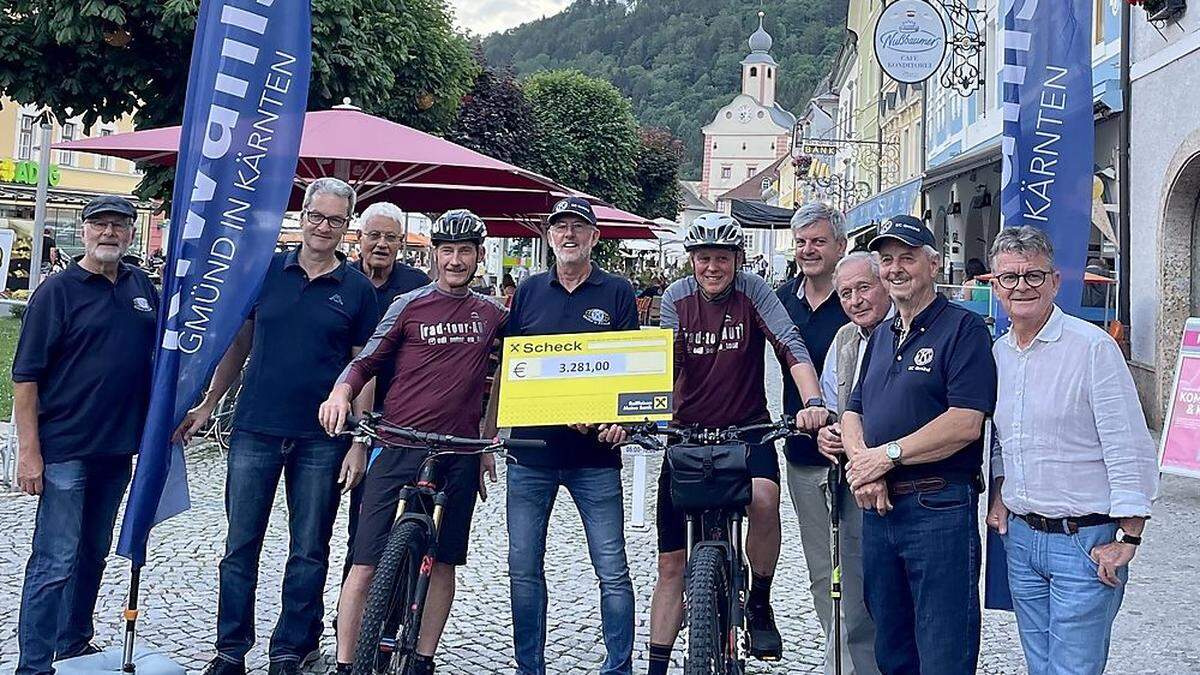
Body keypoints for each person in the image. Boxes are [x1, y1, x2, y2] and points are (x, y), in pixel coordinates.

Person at [178, 178, 380, 675]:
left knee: (309, 548)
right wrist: (208, 405)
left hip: (322, 439)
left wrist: (359, 438)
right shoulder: (265, 271)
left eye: (335, 220)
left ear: (346, 227)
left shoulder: (356, 290)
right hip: (256, 429)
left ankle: (291, 648)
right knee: (240, 544)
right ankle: (230, 650)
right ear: (303, 216)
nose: (323, 227)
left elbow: (364, 370)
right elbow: (237, 346)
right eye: (317, 216)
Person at [319, 209, 505, 675]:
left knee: (443, 563)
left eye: (466, 251)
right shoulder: (408, 304)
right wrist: (341, 392)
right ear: (434, 255)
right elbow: (366, 362)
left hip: (459, 450)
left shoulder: (494, 314)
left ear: (479, 257)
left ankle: (423, 658)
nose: (456, 260)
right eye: (448, 251)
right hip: (399, 442)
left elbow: (520, 368)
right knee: (364, 562)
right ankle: (345, 663)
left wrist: (489, 440)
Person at [648, 213, 828, 673]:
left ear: (737, 259)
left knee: (765, 499)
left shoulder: (753, 291)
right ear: (691, 260)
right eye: (703, 258)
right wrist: (644, 415)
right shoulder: (675, 298)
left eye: (722, 258)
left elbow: (789, 343)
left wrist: (813, 400)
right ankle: (656, 665)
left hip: (748, 429)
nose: (712, 267)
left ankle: (760, 600)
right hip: (686, 434)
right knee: (670, 565)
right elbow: (664, 364)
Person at [984, 227, 1158, 675]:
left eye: (1034, 276)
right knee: (1041, 667)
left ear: (1056, 282)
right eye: (1009, 277)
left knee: (1072, 671)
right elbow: (1006, 437)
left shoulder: (1092, 349)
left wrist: (1130, 537)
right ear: (994, 284)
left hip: (1085, 543)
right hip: (1022, 542)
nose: (1022, 285)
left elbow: (1129, 444)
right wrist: (1000, 492)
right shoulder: (999, 354)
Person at [839, 214, 997, 675]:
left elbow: (966, 422)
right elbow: (854, 411)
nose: (895, 268)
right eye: (887, 260)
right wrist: (862, 468)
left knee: (944, 651)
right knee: (892, 650)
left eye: (907, 258)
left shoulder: (963, 329)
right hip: (880, 513)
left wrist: (885, 458)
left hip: (938, 507)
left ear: (933, 264)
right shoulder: (883, 335)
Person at [13, 196, 158, 675]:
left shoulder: (142, 287)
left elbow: (160, 359)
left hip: (116, 450)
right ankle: (33, 665)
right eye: (100, 225)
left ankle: (73, 642)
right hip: (65, 449)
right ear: (84, 230)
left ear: (132, 233)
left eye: (119, 225)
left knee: (93, 552)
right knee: (54, 560)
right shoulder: (57, 291)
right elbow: (26, 378)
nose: (109, 233)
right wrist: (29, 454)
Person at [503, 196, 638, 675]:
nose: (568, 235)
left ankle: (618, 666)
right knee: (523, 570)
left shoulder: (618, 291)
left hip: (595, 456)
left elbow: (629, 369)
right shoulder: (528, 291)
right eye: (560, 227)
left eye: (578, 228)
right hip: (530, 452)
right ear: (549, 236)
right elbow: (512, 362)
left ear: (594, 237)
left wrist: (615, 415)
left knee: (613, 571)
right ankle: (528, 668)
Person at [341, 201, 429, 580]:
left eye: (390, 237)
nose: (381, 244)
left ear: (400, 243)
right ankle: (340, 619)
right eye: (373, 235)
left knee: (375, 528)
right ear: (358, 238)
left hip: (397, 422)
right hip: (337, 416)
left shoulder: (418, 287)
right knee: (320, 535)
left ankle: (382, 624)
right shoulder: (341, 279)